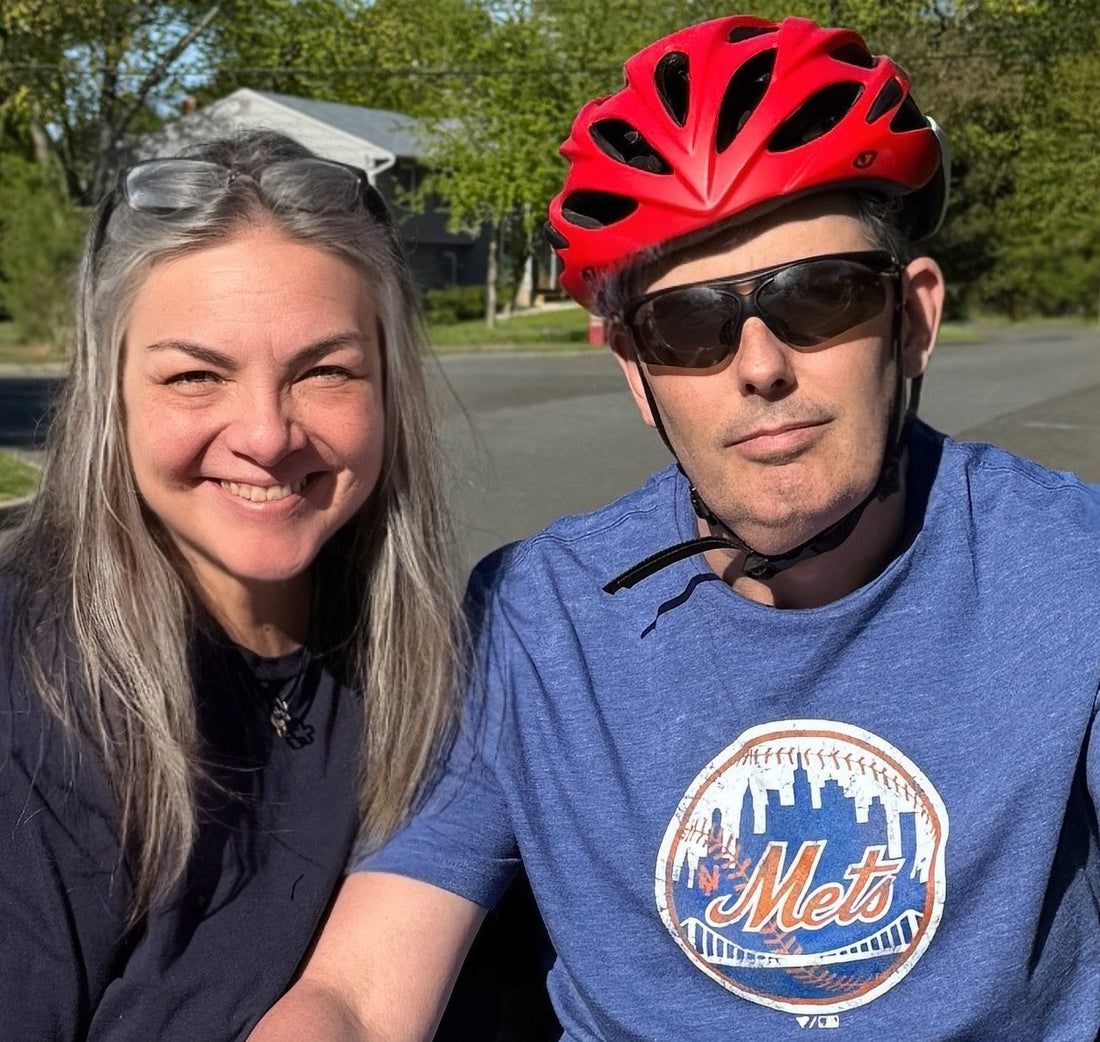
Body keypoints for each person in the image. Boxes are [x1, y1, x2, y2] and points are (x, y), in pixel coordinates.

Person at [252, 14, 1100, 1041]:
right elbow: (356, 996)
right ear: (635, 372)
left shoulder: (1068, 572)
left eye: (819, 298)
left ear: (911, 320)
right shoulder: (537, 615)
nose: (756, 365)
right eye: (688, 325)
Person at [0, 130, 466, 1039]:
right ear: (111, 396)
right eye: (195, 376)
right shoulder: (31, 702)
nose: (266, 433)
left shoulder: (438, 664)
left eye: (325, 370)